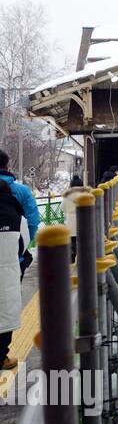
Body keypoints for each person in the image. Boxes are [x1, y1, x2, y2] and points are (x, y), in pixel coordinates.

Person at [0, 157, 30, 371]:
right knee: (4, 313)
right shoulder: (17, 216)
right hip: (7, 271)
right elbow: (24, 242)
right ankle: (2, 357)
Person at [0, 151, 40, 282]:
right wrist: (23, 247)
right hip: (15, 255)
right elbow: (33, 221)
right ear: (7, 166)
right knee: (12, 294)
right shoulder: (22, 191)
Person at [64, 174, 88, 264]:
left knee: (72, 240)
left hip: (70, 221)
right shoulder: (85, 195)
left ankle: (72, 254)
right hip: (82, 221)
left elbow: (63, 207)